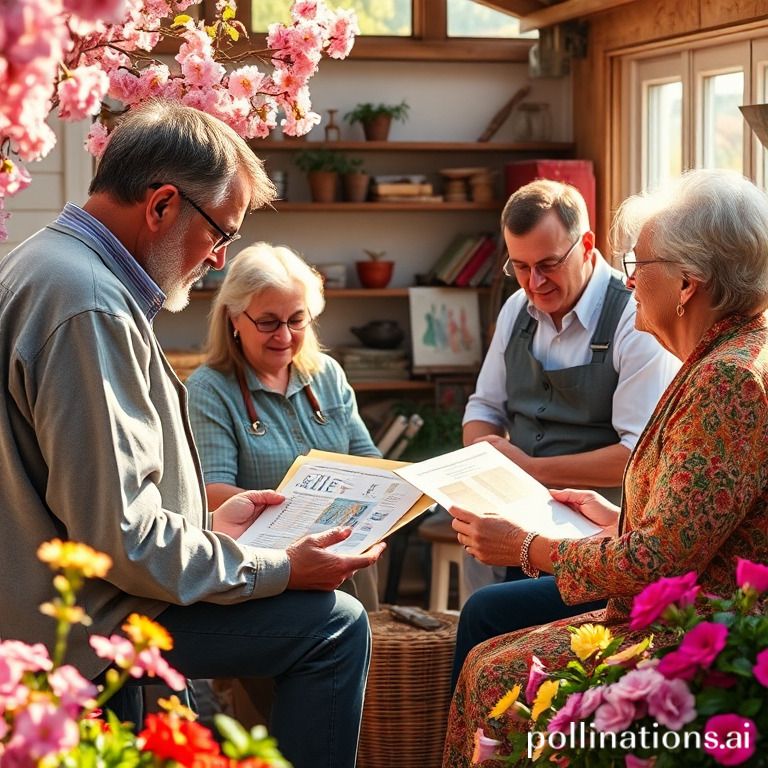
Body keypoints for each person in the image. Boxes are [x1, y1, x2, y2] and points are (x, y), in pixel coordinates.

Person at [0, 99, 383, 768]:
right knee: (333, 629)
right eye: (220, 231)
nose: (220, 255)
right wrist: (278, 568)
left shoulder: (51, 264)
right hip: (82, 625)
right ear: (162, 206)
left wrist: (211, 520)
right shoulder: (88, 303)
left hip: (64, 600)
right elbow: (121, 539)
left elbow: (84, 491)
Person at [443, 168, 768, 767]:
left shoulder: (727, 380)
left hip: (702, 636)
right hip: (680, 603)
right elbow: (698, 526)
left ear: (688, 283)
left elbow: (659, 562)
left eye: (639, 266)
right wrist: (621, 516)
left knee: (497, 677)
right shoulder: (728, 356)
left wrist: (527, 546)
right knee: (491, 651)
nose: (628, 280)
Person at [451, 180, 679, 681]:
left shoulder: (632, 318)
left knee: (487, 614)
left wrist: (530, 469)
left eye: (548, 264)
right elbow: (483, 406)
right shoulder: (516, 309)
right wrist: (479, 460)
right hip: (515, 512)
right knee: (482, 602)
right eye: (521, 267)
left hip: (595, 530)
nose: (534, 283)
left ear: (588, 246)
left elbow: (634, 453)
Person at [186, 242, 381, 609]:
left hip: (344, 551)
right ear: (234, 319)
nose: (285, 336)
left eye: (296, 320)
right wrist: (305, 511)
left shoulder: (327, 374)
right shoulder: (209, 388)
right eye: (268, 322)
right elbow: (211, 491)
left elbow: (367, 457)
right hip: (268, 571)